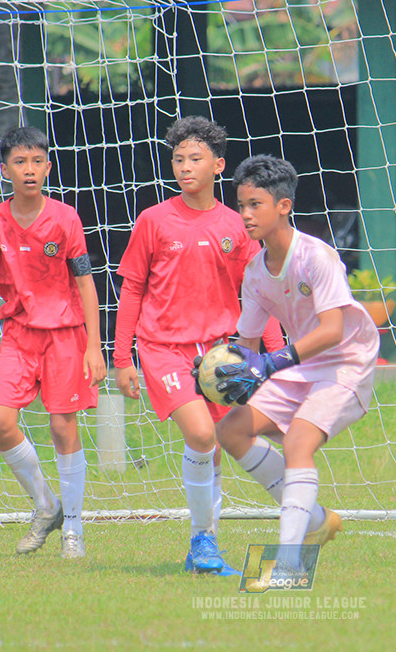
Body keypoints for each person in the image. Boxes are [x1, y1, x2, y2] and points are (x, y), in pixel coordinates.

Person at [112, 116, 282, 575]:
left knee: (219, 445)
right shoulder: (153, 220)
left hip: (220, 354)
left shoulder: (236, 226)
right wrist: (122, 358)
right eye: (178, 159)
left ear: (219, 166)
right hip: (163, 348)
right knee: (203, 435)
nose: (185, 167)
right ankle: (204, 541)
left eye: (195, 158)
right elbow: (132, 289)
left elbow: (260, 297)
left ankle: (203, 548)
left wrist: (274, 359)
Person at [208, 154, 380, 573]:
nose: (245, 215)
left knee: (298, 443)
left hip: (346, 362)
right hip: (302, 365)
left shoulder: (316, 256)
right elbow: (248, 346)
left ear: (284, 206)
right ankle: (315, 519)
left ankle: (289, 561)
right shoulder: (255, 271)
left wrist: (270, 362)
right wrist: (221, 371)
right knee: (231, 430)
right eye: (241, 205)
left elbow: (333, 330)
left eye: (255, 205)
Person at [0, 125, 106, 560]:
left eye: (37, 161)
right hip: (18, 336)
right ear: (5, 170)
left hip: (65, 336)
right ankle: (46, 505)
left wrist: (94, 346)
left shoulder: (65, 218)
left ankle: (73, 527)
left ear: (48, 167)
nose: (29, 170)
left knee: (63, 427)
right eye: (20, 162)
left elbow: (85, 282)